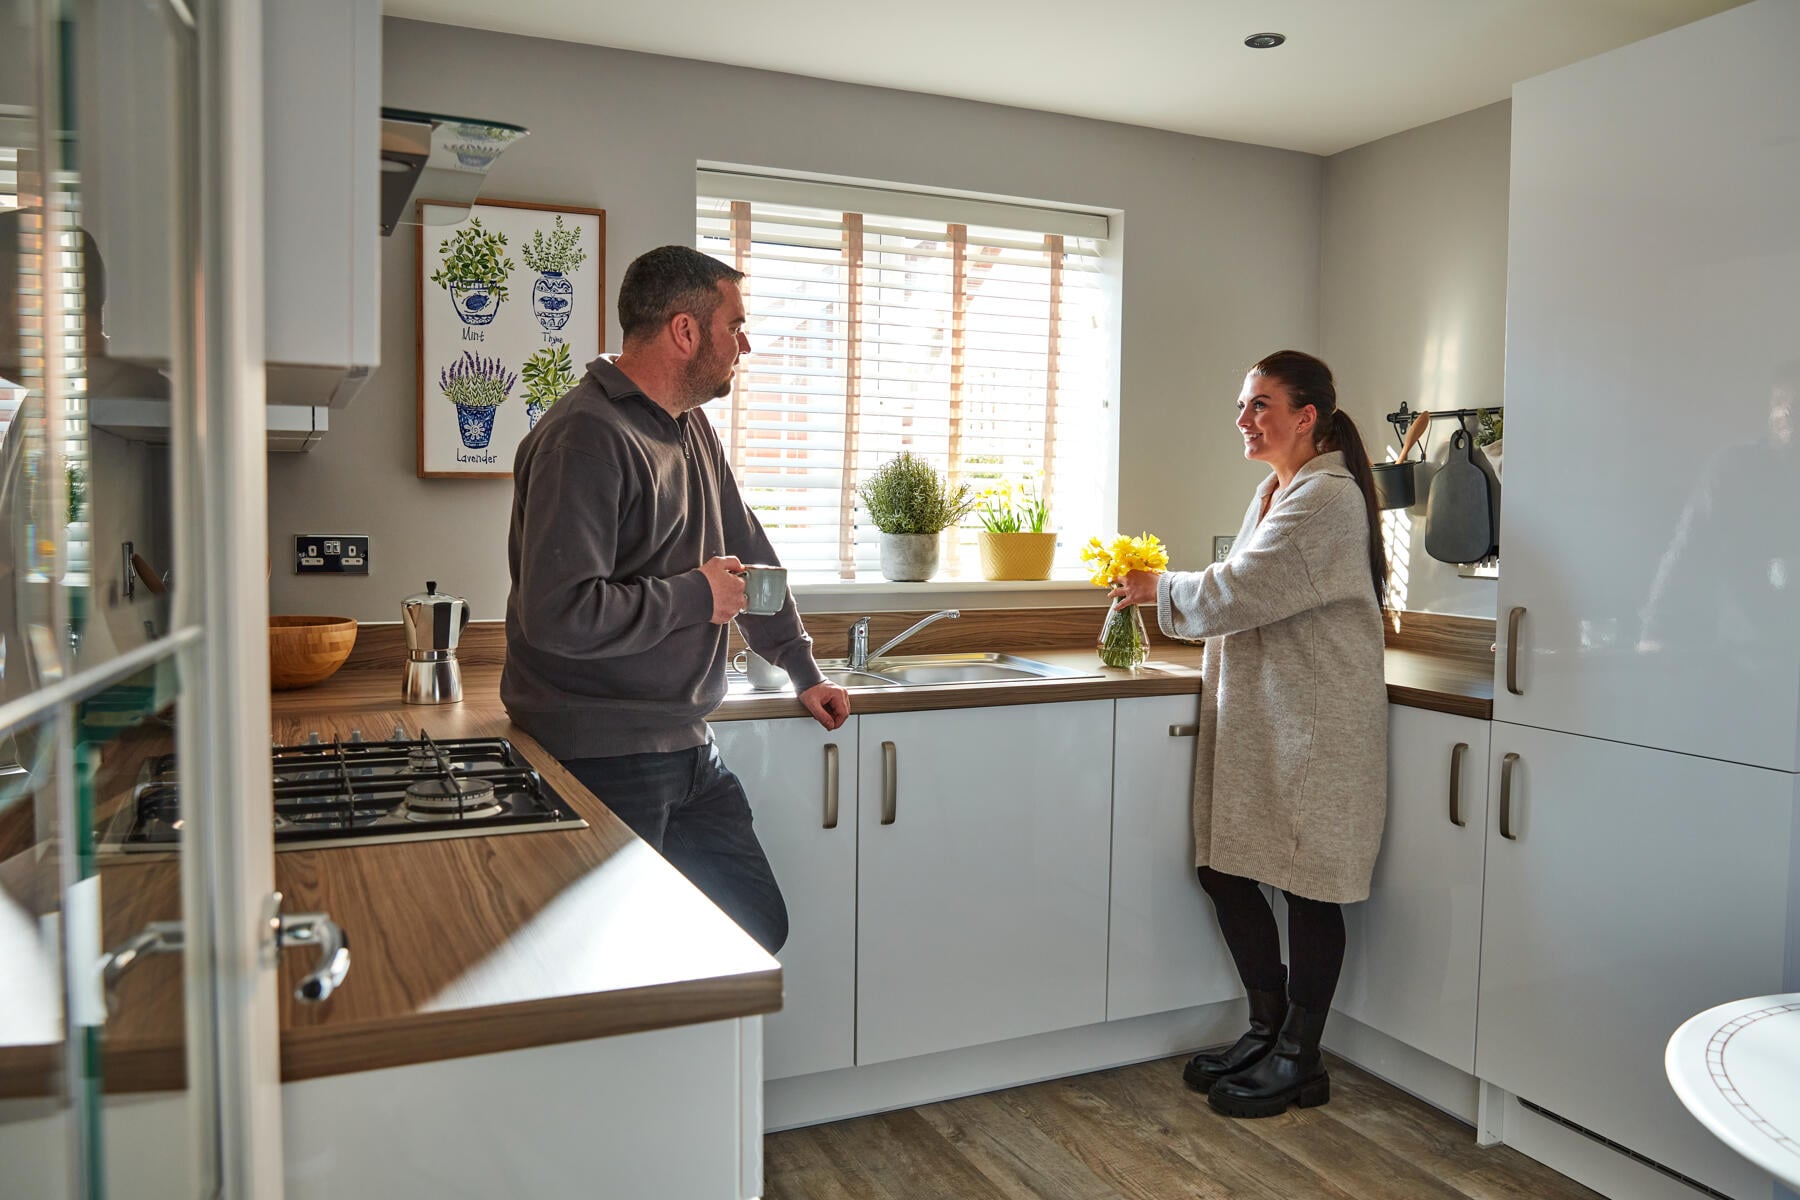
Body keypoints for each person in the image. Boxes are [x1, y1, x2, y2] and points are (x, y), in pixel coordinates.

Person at [501, 245, 850, 954]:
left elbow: (749, 558)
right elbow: (558, 615)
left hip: (686, 746)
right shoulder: (587, 437)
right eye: (735, 325)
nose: (744, 344)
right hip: (599, 757)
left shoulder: (689, 427)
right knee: (613, 961)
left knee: (752, 924)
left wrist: (802, 668)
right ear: (685, 331)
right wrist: (696, 596)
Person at [1109, 349, 1388, 1119]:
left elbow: (1242, 589)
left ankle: (1302, 1056)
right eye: (1242, 405)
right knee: (1228, 868)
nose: (1244, 419)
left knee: (1309, 887)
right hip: (1270, 715)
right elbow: (1245, 593)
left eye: (1260, 405)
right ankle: (1267, 1031)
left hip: (1318, 724)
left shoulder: (1327, 497)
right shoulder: (1276, 490)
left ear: (1307, 417)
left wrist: (1154, 588)